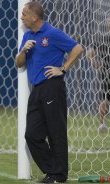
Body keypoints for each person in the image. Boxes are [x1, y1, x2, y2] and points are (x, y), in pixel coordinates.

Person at [15, 2, 83, 183]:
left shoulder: (52, 33)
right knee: (32, 135)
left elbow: (78, 49)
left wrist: (63, 68)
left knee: (56, 132)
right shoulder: (28, 35)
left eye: (24, 14)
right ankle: (53, 170)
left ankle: (57, 176)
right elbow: (19, 63)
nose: (21, 17)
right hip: (36, 90)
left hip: (53, 87)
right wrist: (23, 50)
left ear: (34, 17)